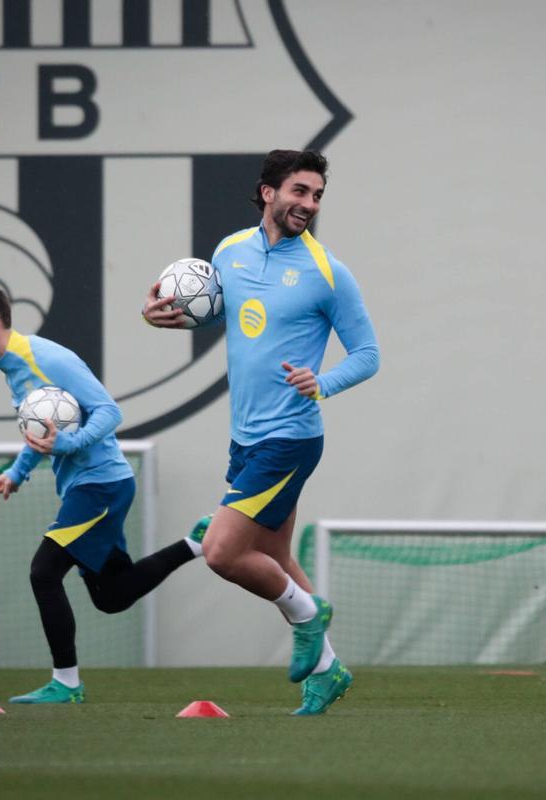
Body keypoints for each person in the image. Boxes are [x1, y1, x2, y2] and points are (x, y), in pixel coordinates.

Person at [141, 149, 379, 715]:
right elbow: (226, 313)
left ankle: (307, 613)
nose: (310, 204)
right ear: (268, 192)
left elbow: (368, 355)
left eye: (317, 195)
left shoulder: (327, 272)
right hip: (245, 436)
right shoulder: (229, 251)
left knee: (223, 553)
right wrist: (158, 315)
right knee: (274, 555)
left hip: (291, 438)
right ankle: (328, 671)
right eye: (300, 191)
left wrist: (321, 383)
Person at [0, 283, 206, 704]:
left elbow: (110, 412)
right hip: (92, 486)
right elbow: (43, 435)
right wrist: (16, 473)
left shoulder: (46, 358)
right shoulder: (13, 368)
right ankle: (196, 543)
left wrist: (69, 445)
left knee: (43, 572)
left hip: (100, 485)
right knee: (112, 595)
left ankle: (66, 683)